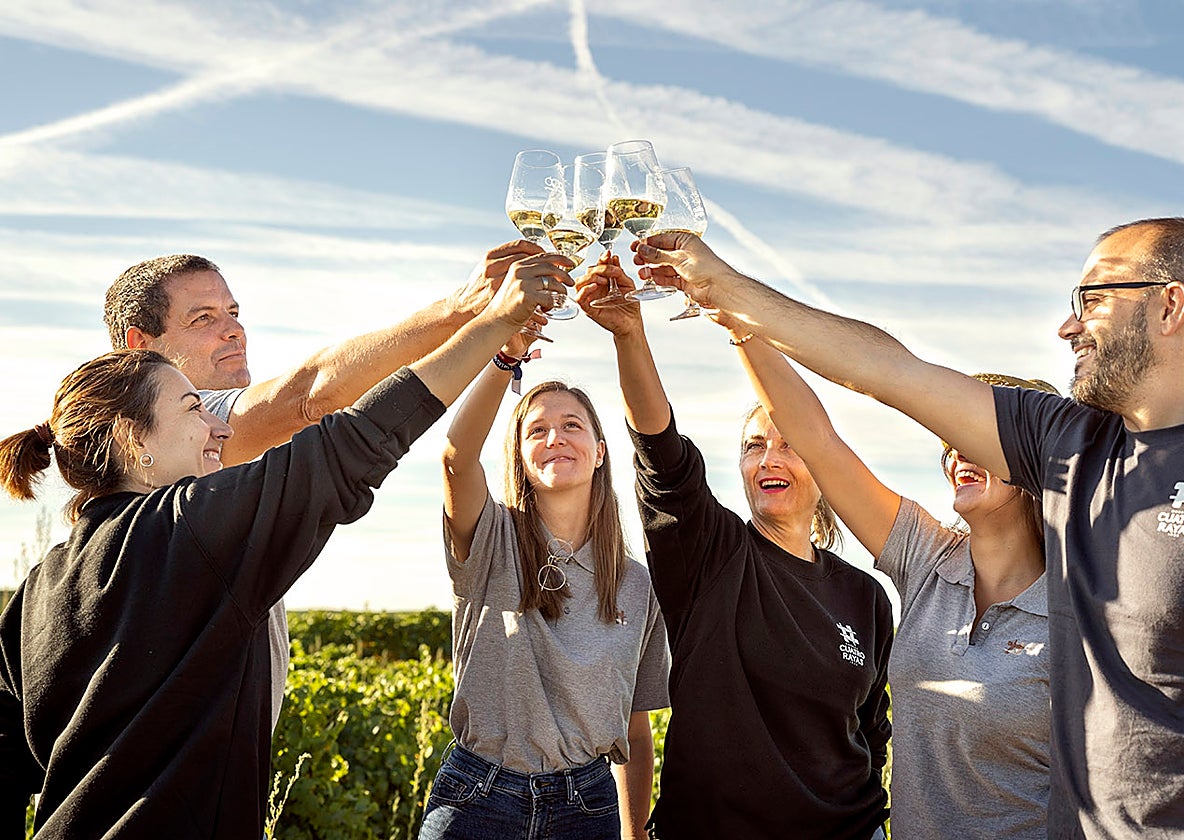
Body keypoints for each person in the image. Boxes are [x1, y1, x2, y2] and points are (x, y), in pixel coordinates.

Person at [630, 217, 1184, 838]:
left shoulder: (1078, 573)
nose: (1067, 325)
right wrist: (728, 302)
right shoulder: (932, 556)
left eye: (1092, 299)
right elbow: (849, 407)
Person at [0, 252, 571, 837]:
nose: (221, 430)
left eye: (234, 312)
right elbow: (347, 434)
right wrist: (488, 322)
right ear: (134, 438)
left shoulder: (35, 590)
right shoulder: (191, 529)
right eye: (195, 408)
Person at [101, 242, 542, 733]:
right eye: (202, 319)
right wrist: (465, 309)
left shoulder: (151, 449)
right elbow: (312, 395)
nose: (234, 331)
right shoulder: (186, 423)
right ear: (139, 345)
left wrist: (485, 332)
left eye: (233, 312)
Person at [576, 253, 892, 839]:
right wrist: (630, 337)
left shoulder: (865, 596)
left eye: (788, 443)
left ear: (823, 468)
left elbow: (871, 735)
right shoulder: (711, 554)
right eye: (753, 446)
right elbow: (662, 455)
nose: (769, 458)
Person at [723, 319, 1052, 837]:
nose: (957, 452)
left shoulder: (1081, 604)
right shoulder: (927, 558)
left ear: (1037, 460)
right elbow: (819, 442)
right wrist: (737, 321)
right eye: (952, 439)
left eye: (978, 437)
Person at [419, 322, 670, 840]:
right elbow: (455, 457)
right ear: (521, 456)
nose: (556, 437)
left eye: (572, 425)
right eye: (536, 429)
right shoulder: (489, 540)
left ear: (600, 451)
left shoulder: (639, 586)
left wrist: (636, 829)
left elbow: (634, 723)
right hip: (478, 800)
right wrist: (502, 362)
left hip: (590, 808)